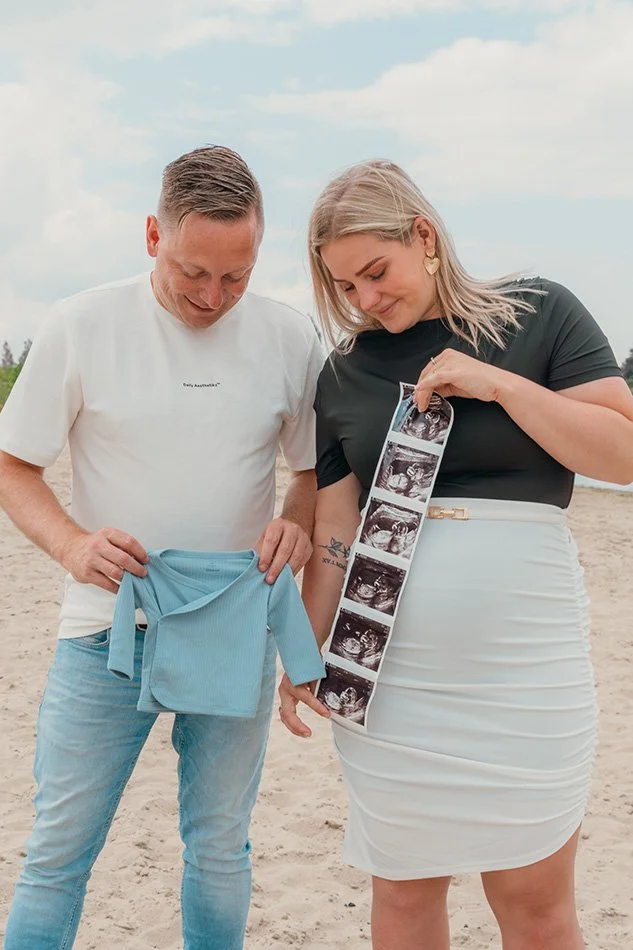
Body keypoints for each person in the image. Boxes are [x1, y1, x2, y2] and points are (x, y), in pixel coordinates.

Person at [278, 159, 633, 950]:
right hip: (390, 681)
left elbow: (621, 455)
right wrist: (302, 647)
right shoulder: (342, 375)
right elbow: (336, 536)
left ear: (425, 237)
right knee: (402, 898)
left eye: (376, 272)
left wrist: (499, 386)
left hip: (526, 672)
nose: (365, 300)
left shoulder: (538, 314)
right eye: (344, 287)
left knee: (535, 904)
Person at [0, 145, 323, 950]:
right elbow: (13, 465)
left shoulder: (289, 337)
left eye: (235, 277)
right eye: (193, 272)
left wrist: (295, 517)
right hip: (104, 631)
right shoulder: (81, 322)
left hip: (233, 629)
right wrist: (73, 546)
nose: (213, 297)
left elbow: (315, 471)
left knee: (219, 850)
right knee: (57, 854)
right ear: (153, 234)